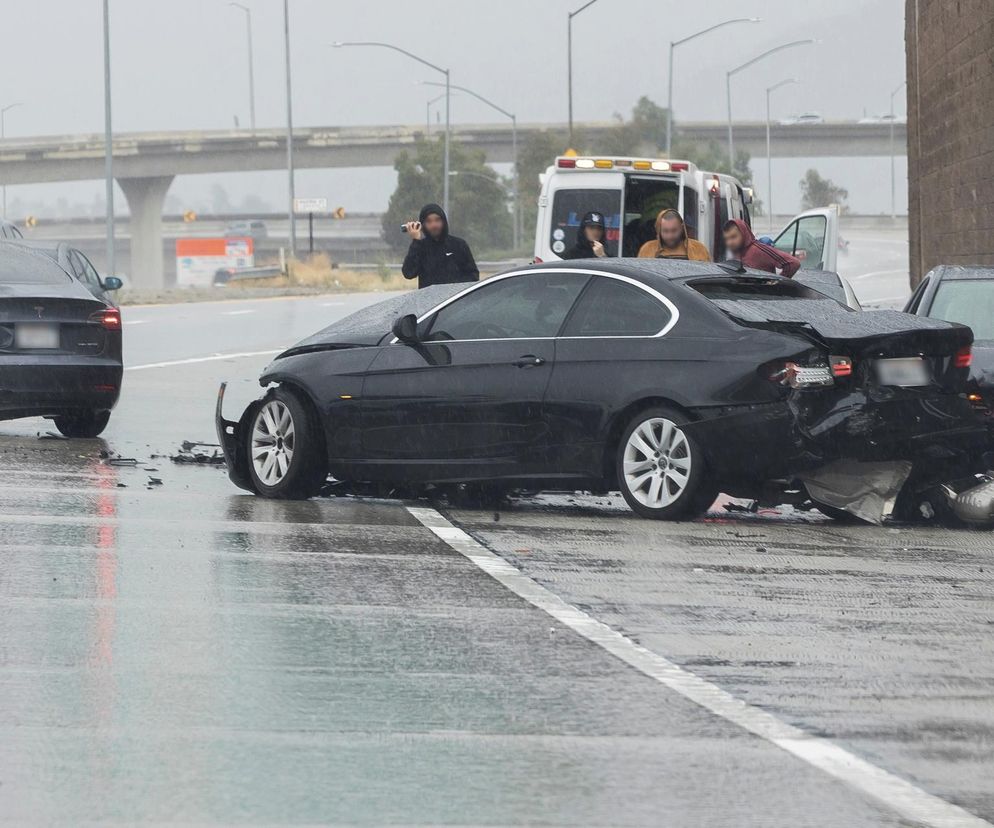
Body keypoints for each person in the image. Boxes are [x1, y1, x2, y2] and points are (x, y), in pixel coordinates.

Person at [402, 204, 479, 289]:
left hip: (455, 299)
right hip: (430, 300)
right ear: (423, 224)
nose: (434, 225)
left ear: (443, 221)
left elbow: (473, 276)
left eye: (437, 220)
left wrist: (453, 287)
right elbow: (408, 273)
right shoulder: (421, 247)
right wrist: (416, 241)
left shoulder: (459, 245)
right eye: (429, 221)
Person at [722, 218, 800, 276]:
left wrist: (777, 284)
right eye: (727, 239)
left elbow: (793, 263)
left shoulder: (757, 250)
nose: (729, 242)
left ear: (743, 234)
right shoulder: (735, 256)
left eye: (733, 237)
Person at [637, 209, 711, 261]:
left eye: (674, 230)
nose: (670, 236)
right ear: (658, 230)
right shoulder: (647, 249)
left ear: (682, 228)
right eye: (665, 231)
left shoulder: (698, 249)